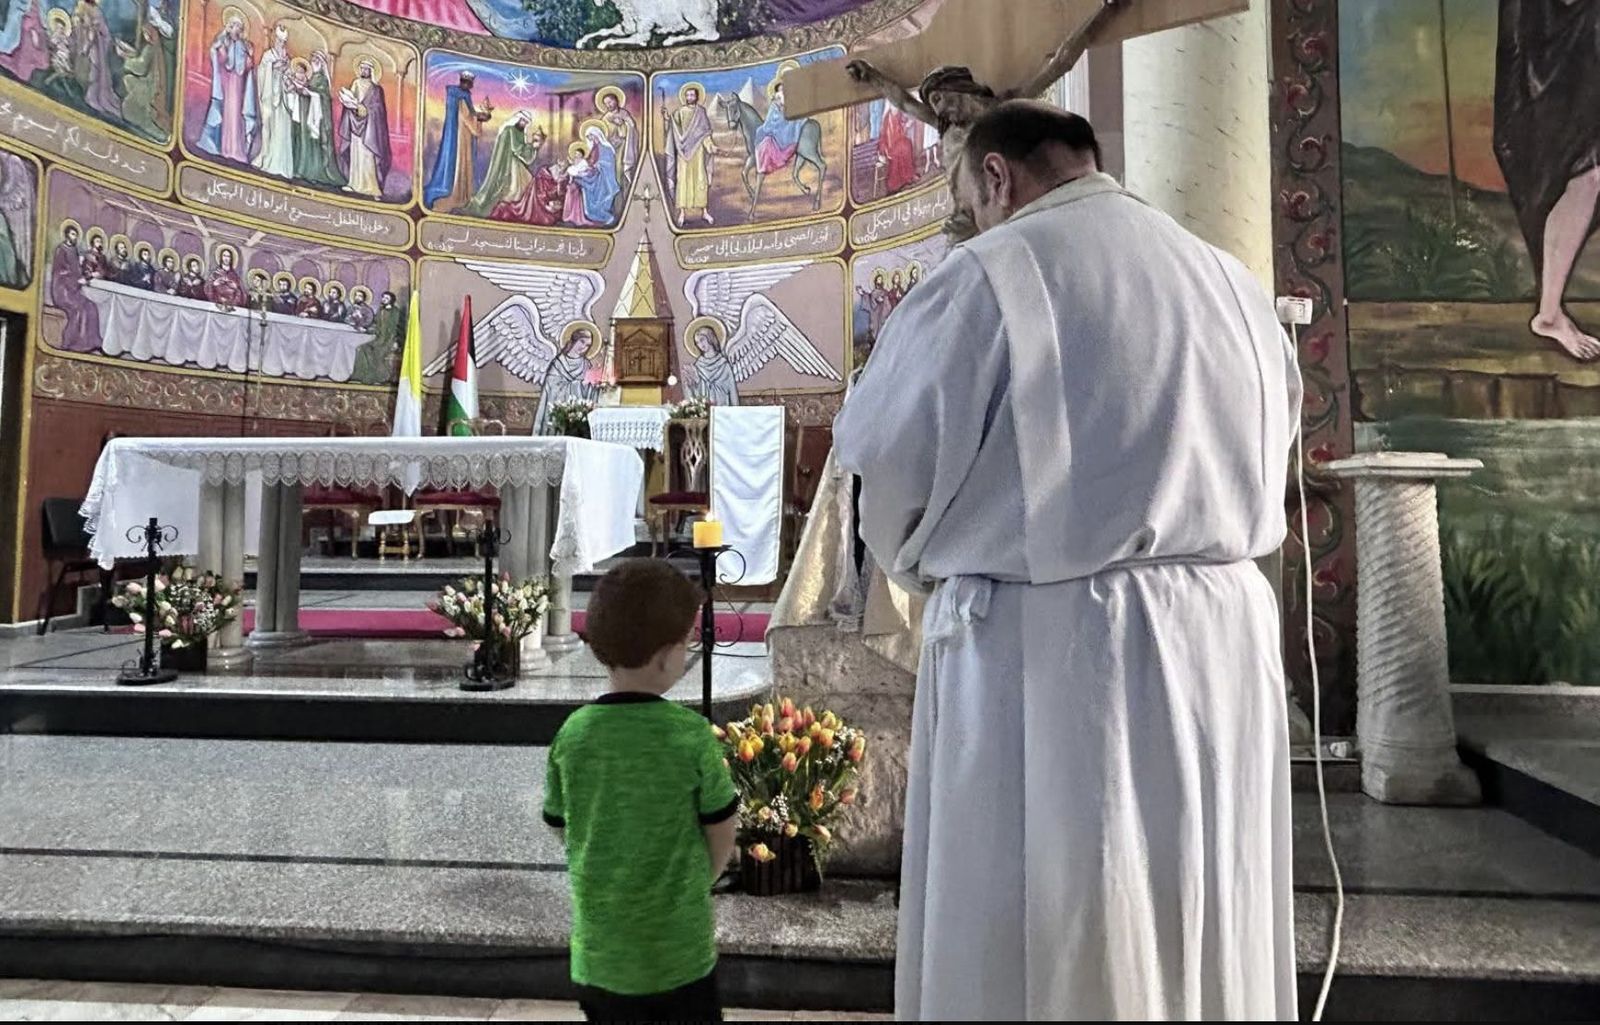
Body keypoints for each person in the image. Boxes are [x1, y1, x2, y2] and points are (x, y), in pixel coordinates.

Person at [835, 101, 1298, 1020]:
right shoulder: (1230, 280)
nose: (971, 220)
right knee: (1202, 896)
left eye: (969, 199)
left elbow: (889, 459)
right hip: (1224, 638)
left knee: (1061, 921)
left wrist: (922, 560)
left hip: (1056, 654)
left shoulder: (994, 271)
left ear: (998, 177)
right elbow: (1275, 437)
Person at [542, 559, 737, 1024]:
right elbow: (722, 827)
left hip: (601, 956)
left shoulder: (574, 734)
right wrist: (699, 881)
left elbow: (559, 823)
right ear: (666, 657)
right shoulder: (690, 734)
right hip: (678, 954)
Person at [1494, 0, 1600, 360]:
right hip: (1539, 84)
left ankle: (1550, 311)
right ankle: (1550, 313)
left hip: (1572, 72)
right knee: (1585, 176)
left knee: (1589, 177)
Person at [197, 9, 256, 163]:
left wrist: (249, 56)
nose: (236, 29)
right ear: (229, 26)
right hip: (226, 84)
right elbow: (221, 60)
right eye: (234, 25)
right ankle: (222, 147)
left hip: (238, 87)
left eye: (239, 27)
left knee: (236, 116)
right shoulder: (223, 41)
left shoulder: (244, 45)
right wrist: (220, 51)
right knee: (224, 113)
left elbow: (247, 67)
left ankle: (236, 150)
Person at [424, 70, 490, 210]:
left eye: (469, 83)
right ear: (463, 82)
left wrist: (477, 117)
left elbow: (468, 114)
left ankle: (461, 194)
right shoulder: (458, 95)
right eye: (466, 82)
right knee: (458, 163)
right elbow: (467, 116)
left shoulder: (460, 95)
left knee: (462, 163)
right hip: (460, 136)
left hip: (462, 135)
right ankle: (456, 195)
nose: (467, 85)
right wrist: (480, 119)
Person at [462, 110, 536, 218]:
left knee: (526, 183)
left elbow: (521, 149)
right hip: (507, 163)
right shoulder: (509, 130)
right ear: (519, 119)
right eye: (523, 121)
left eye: (526, 122)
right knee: (513, 186)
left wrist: (530, 147)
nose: (524, 124)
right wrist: (531, 146)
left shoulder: (520, 132)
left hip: (516, 162)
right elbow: (517, 148)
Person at [338, 56, 390, 199]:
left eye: (367, 69)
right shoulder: (355, 83)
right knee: (355, 155)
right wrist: (351, 105)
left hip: (369, 129)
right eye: (362, 68)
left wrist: (366, 110)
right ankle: (354, 183)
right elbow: (351, 101)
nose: (364, 71)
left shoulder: (376, 89)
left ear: (371, 71)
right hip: (355, 123)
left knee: (368, 156)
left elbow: (378, 109)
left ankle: (372, 188)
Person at [663, 82, 715, 226]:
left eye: (692, 95)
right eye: (687, 95)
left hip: (698, 151)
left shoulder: (701, 112)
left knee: (700, 180)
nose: (690, 97)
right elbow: (674, 128)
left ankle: (704, 211)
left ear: (697, 97)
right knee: (683, 181)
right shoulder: (680, 112)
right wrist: (667, 118)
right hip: (683, 152)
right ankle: (682, 213)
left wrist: (710, 146)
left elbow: (705, 134)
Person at [293, 50, 345, 189]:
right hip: (307, 116)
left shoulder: (321, 79)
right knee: (307, 143)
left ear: (322, 64)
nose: (314, 61)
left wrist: (309, 93)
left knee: (315, 145)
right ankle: (305, 170)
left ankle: (316, 173)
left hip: (318, 121)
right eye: (313, 58)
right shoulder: (312, 78)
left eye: (317, 59)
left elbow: (323, 98)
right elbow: (308, 92)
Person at [534, 324, 597, 434]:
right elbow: (552, 386)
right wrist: (577, 385)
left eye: (588, 345)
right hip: (559, 416)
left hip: (578, 419)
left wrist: (594, 386)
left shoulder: (586, 365)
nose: (584, 347)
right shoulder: (559, 363)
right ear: (574, 340)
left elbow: (590, 390)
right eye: (582, 342)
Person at [252, 22, 295, 178]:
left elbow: (290, 77)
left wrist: (287, 76)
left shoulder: (287, 59)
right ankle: (266, 156)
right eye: (279, 41)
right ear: (274, 40)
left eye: (283, 42)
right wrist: (273, 67)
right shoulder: (268, 56)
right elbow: (262, 72)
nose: (281, 44)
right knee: (268, 127)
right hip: (270, 98)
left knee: (282, 130)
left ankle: (281, 164)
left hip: (282, 101)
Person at [48, 222, 100, 351]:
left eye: (76, 234)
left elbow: (77, 270)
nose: (75, 237)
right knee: (78, 310)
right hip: (63, 290)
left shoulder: (74, 250)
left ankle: (92, 342)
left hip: (73, 291)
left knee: (91, 306)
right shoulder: (61, 249)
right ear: (66, 235)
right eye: (72, 234)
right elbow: (60, 272)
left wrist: (87, 274)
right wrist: (77, 281)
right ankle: (70, 343)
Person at [71, 0, 118, 118]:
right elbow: (77, 24)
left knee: (95, 71)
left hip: (96, 48)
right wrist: (80, 24)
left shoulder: (97, 12)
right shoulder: (80, 7)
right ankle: (86, 92)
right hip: (84, 43)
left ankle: (94, 96)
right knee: (85, 68)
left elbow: (105, 33)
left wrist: (96, 30)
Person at [570, 125, 620, 225]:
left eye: (590, 136)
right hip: (593, 175)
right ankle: (580, 213)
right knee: (577, 179)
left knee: (582, 181)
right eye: (588, 137)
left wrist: (596, 166)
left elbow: (608, 163)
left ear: (596, 135)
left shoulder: (606, 148)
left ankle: (605, 216)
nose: (589, 139)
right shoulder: (594, 148)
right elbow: (589, 161)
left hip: (602, 178)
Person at [687, 321, 738, 406]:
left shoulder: (724, 365)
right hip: (705, 409)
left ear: (710, 337)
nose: (700, 344)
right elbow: (695, 393)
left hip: (722, 408)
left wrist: (735, 411)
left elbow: (732, 390)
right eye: (697, 343)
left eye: (702, 340)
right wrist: (693, 384)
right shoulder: (698, 366)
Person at [597, 85, 639, 185]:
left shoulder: (624, 113)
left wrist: (622, 125)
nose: (608, 105)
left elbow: (632, 126)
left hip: (623, 146)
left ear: (616, 100)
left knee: (620, 168)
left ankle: (622, 189)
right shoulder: (606, 117)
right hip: (611, 147)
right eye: (606, 103)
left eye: (610, 102)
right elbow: (603, 132)